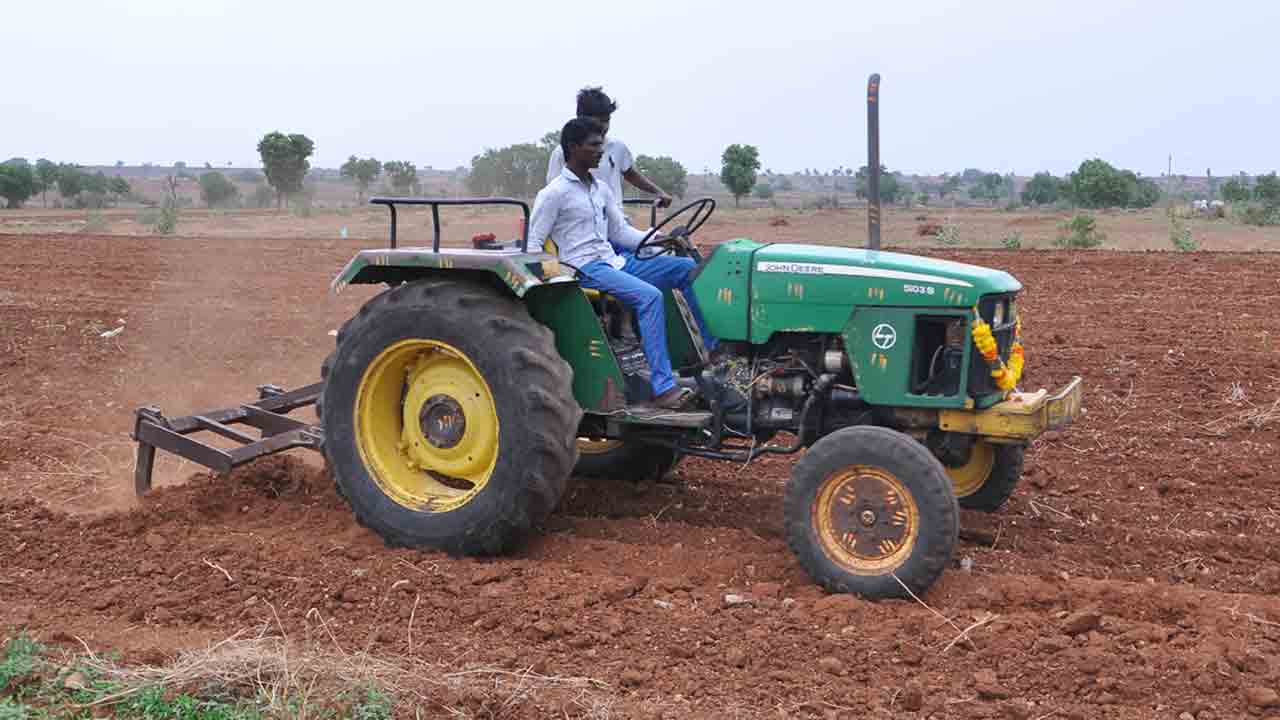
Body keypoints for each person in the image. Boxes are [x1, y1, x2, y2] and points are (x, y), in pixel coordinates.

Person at [529, 117, 717, 410]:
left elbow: (620, 233)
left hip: (613, 262)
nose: (601, 151)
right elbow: (533, 243)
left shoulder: (600, 189)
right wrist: (551, 276)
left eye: (601, 144)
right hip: (585, 269)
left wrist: (661, 239)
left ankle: (713, 353)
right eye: (594, 145)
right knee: (649, 297)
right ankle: (663, 387)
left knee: (686, 270)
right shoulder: (554, 193)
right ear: (573, 147)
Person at [546, 86, 673, 221]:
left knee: (659, 239)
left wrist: (658, 192)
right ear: (582, 119)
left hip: (616, 220)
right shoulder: (562, 152)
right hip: (581, 225)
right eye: (599, 121)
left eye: (607, 120)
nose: (604, 126)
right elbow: (553, 194)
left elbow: (630, 173)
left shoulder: (617, 147)